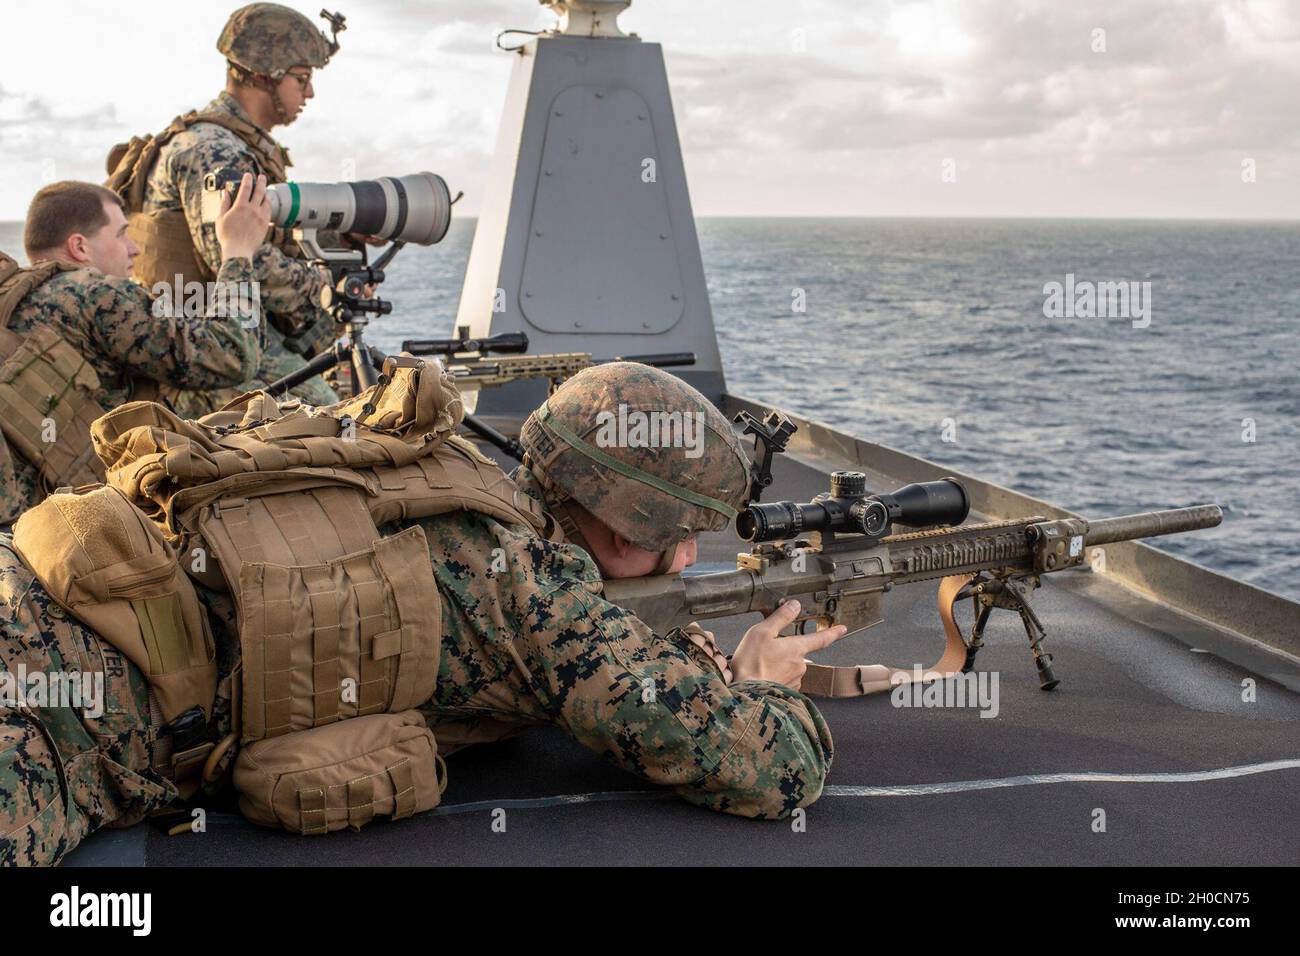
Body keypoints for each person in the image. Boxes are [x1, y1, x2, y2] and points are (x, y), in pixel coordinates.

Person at [0, 363, 844, 865]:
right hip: (60, 724)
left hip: (40, 572)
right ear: (631, 519)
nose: (692, 554)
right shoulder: (541, 603)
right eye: (684, 531)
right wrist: (763, 681)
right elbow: (773, 769)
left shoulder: (439, 462)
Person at [106, 3, 349, 415]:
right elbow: (237, 260)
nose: (309, 93)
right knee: (329, 415)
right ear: (262, 75)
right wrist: (323, 287)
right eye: (302, 79)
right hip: (204, 333)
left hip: (209, 319)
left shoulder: (234, 144)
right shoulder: (214, 151)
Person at [0, 174, 270, 526]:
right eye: (121, 233)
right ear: (79, 247)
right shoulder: (94, 294)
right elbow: (233, 353)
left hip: (29, 524)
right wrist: (237, 251)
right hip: (94, 524)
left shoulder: (12, 303)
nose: (135, 248)